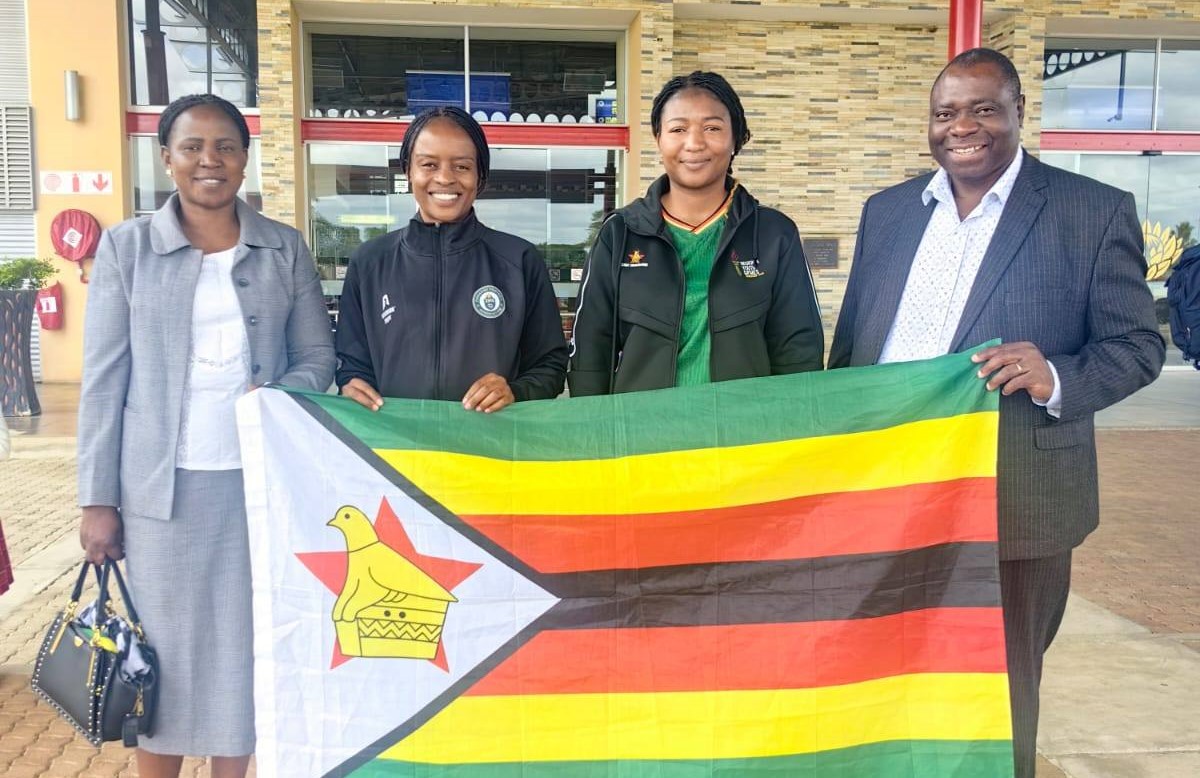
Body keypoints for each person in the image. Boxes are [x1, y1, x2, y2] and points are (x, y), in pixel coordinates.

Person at [828, 48, 1165, 777]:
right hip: (892, 494)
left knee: (999, 687)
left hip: (1016, 498)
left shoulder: (1091, 211)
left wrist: (1058, 376)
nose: (963, 127)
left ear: (1018, 112)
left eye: (984, 109)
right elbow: (851, 346)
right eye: (946, 112)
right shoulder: (888, 212)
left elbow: (1138, 345)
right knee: (884, 668)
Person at [77, 94, 335, 778]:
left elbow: (318, 358)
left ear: (245, 159)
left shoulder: (283, 247)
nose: (209, 160)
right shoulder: (126, 249)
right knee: (161, 656)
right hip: (159, 495)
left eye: (225, 146)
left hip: (256, 489)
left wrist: (280, 393)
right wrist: (96, 501)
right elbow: (102, 381)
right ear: (167, 158)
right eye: (192, 147)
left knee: (242, 654)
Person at [567, 71, 823, 395]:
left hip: (744, 425)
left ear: (736, 139)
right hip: (644, 426)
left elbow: (799, 354)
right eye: (678, 129)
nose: (694, 143)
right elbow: (589, 353)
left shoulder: (775, 235)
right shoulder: (620, 233)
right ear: (659, 139)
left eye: (712, 128)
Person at [336, 106, 566, 412]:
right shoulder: (370, 262)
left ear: (480, 176)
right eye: (428, 164)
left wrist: (516, 391)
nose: (445, 178)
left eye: (462, 166)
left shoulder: (519, 261)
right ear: (408, 171)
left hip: (490, 440)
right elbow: (351, 363)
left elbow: (550, 366)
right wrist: (350, 383)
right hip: (395, 440)